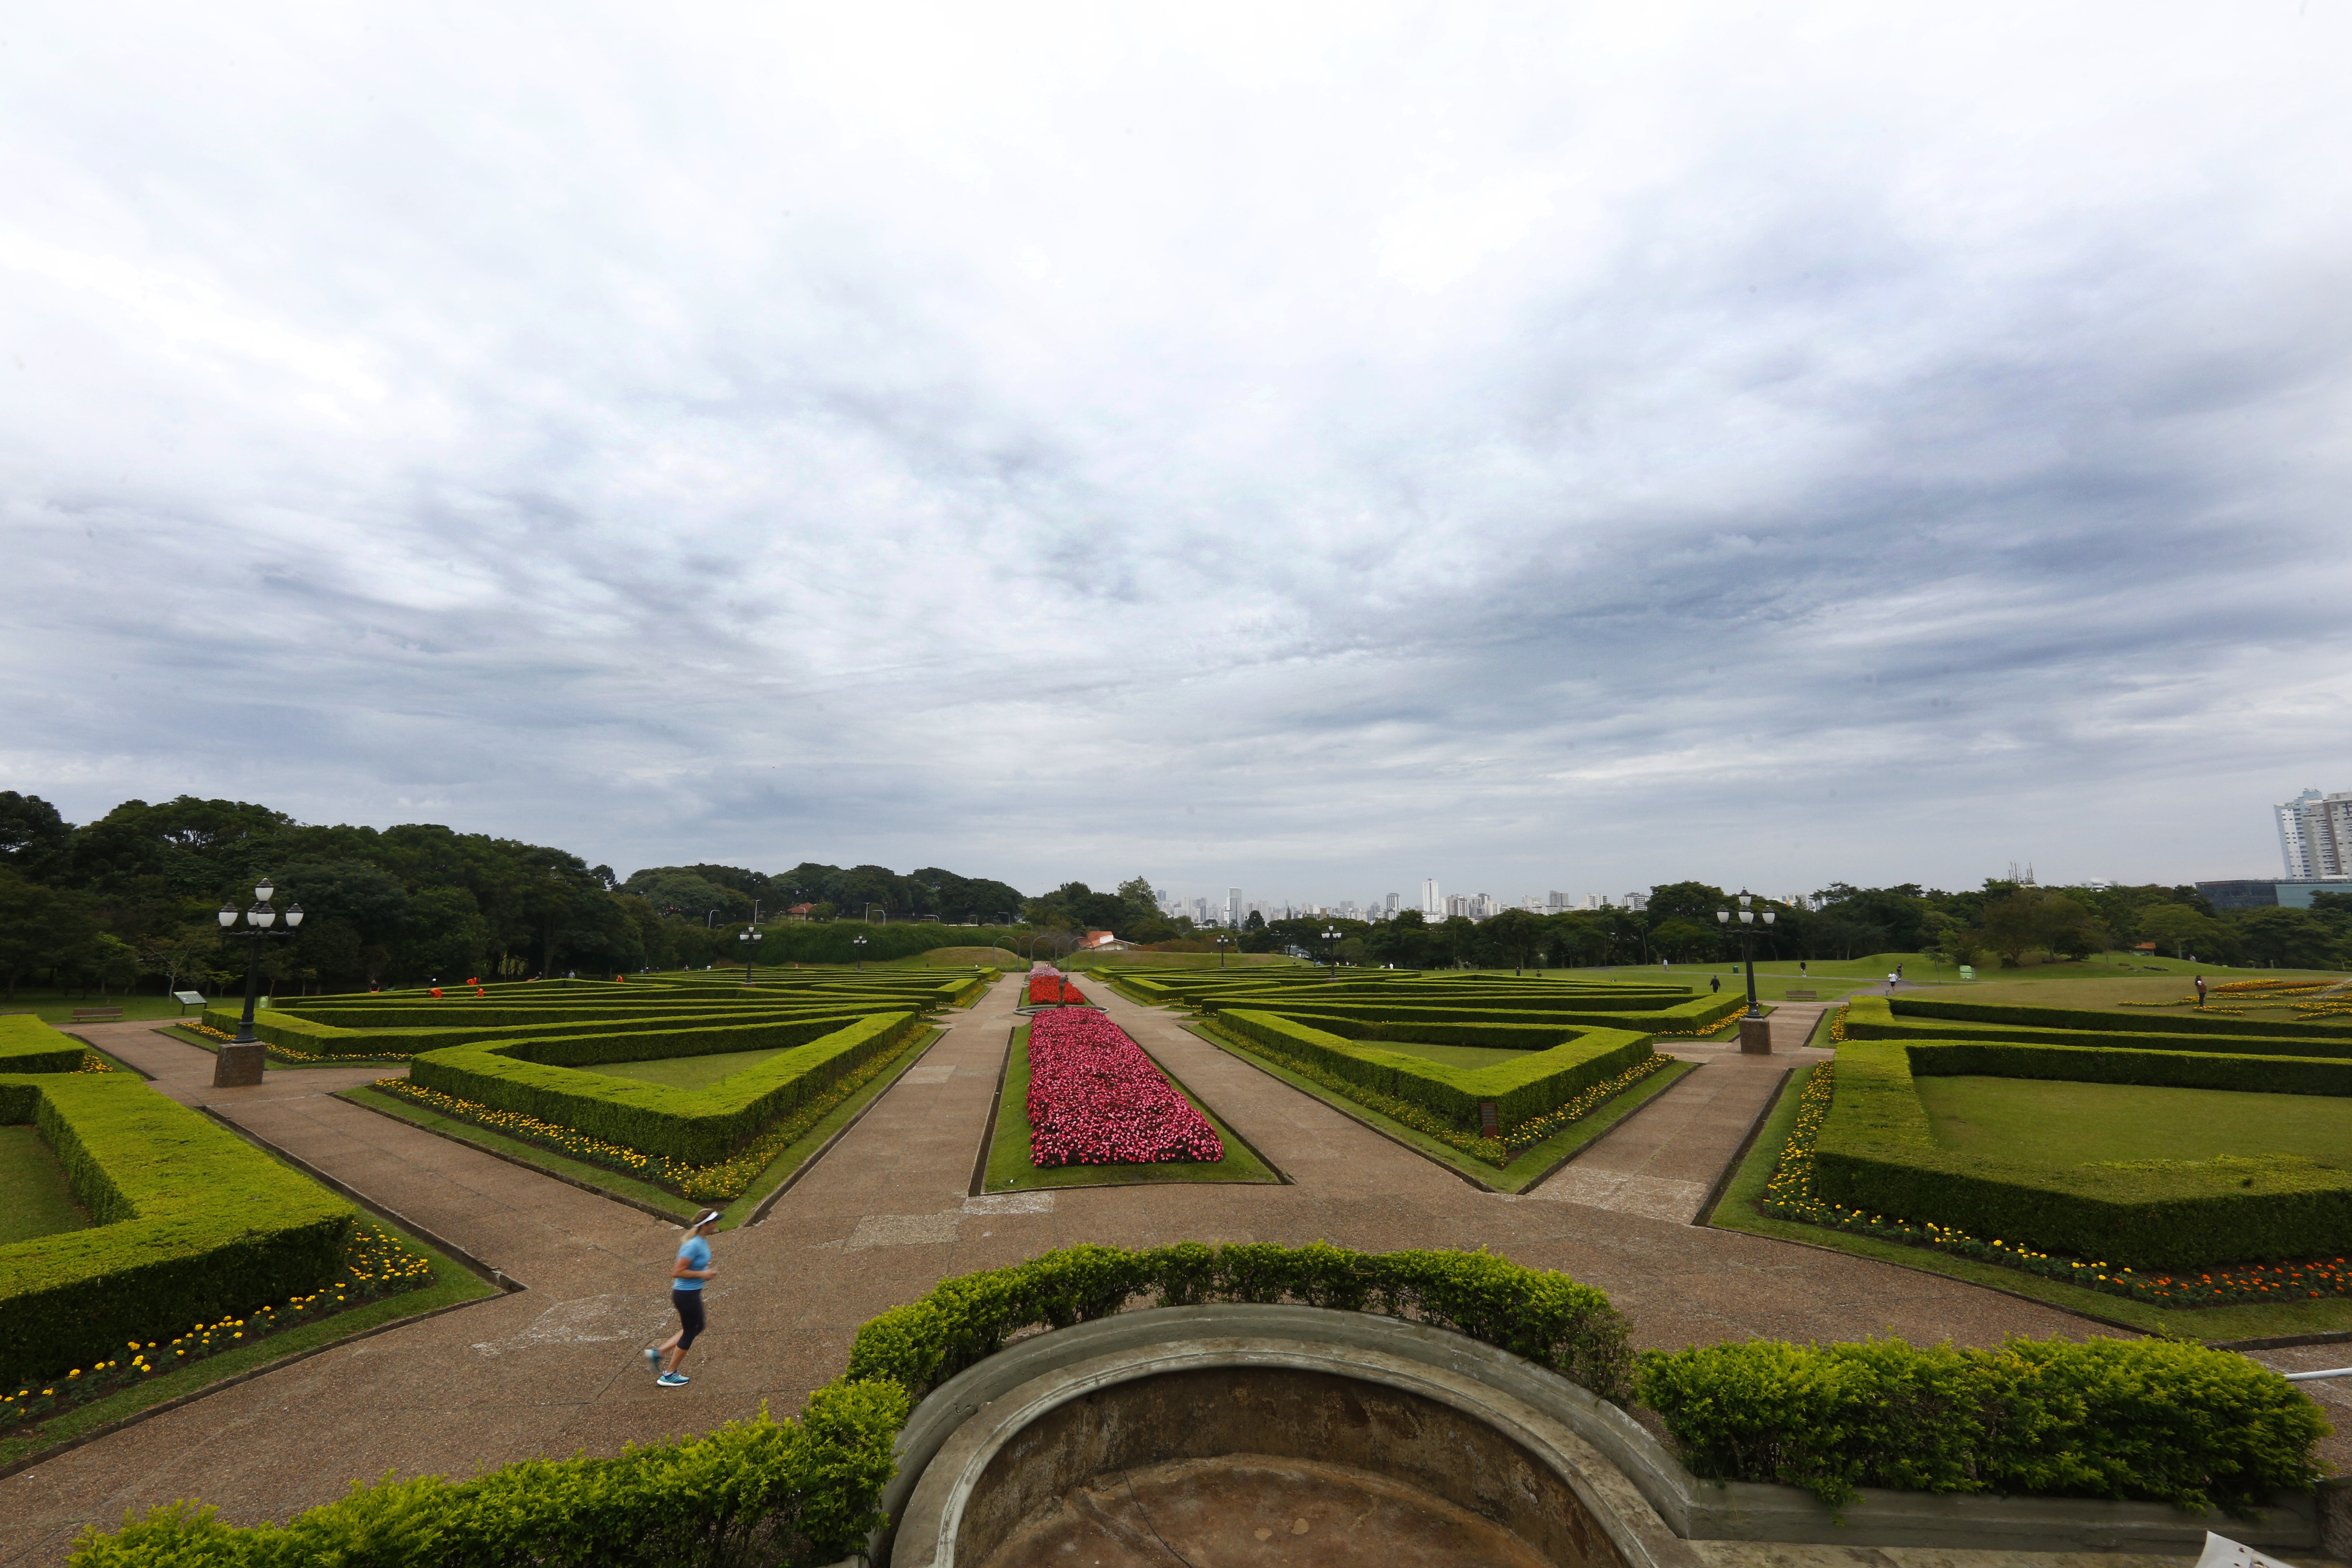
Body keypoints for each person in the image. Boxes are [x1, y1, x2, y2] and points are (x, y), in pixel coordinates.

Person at [647, 1210, 721, 1387]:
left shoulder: (702, 1241)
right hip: (686, 1296)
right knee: (690, 1331)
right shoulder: (693, 1245)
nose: (716, 1225)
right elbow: (677, 1272)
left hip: (691, 1294)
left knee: (696, 1327)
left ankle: (658, 1353)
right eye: (714, 1222)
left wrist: (704, 1266)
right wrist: (702, 1273)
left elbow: (693, 1263)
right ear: (705, 1225)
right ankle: (669, 1375)